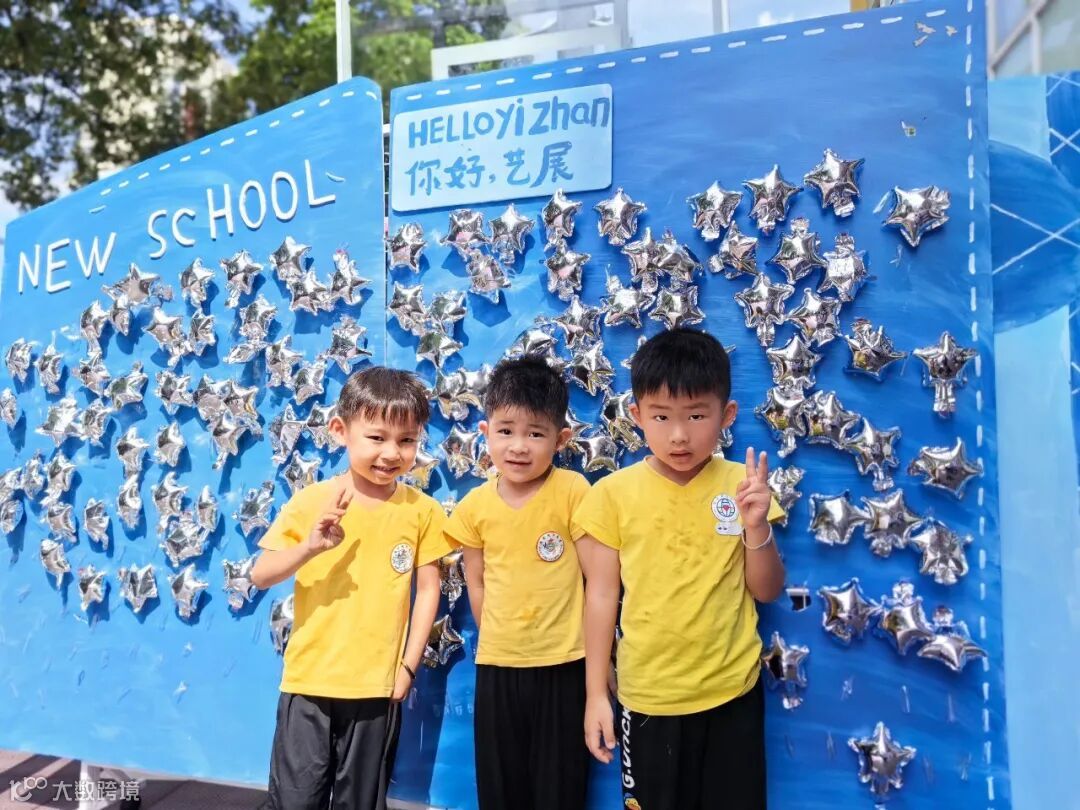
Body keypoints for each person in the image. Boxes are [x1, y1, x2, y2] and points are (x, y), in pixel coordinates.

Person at [573, 328, 785, 810]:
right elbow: (601, 597)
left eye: (696, 415)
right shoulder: (612, 494)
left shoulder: (741, 485)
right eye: (661, 416)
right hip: (649, 698)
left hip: (733, 692)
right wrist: (595, 694)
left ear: (726, 415)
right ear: (636, 416)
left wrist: (756, 526)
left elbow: (767, 590)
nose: (679, 435)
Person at [251, 366, 452, 810]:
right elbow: (261, 574)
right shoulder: (312, 501)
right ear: (340, 430)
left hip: (376, 689)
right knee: (294, 802)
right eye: (376, 437)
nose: (391, 453)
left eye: (407, 440)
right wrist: (309, 547)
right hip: (310, 682)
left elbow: (428, 591)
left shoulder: (422, 510)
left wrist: (407, 669)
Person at [444, 356, 591, 810]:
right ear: (485, 432)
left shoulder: (573, 491)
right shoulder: (473, 507)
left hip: (565, 662)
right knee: (501, 783)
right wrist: (496, 636)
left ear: (561, 439)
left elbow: (597, 580)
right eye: (506, 431)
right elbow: (476, 582)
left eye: (536, 434)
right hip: (499, 664)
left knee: (560, 784)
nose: (519, 447)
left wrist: (599, 658)